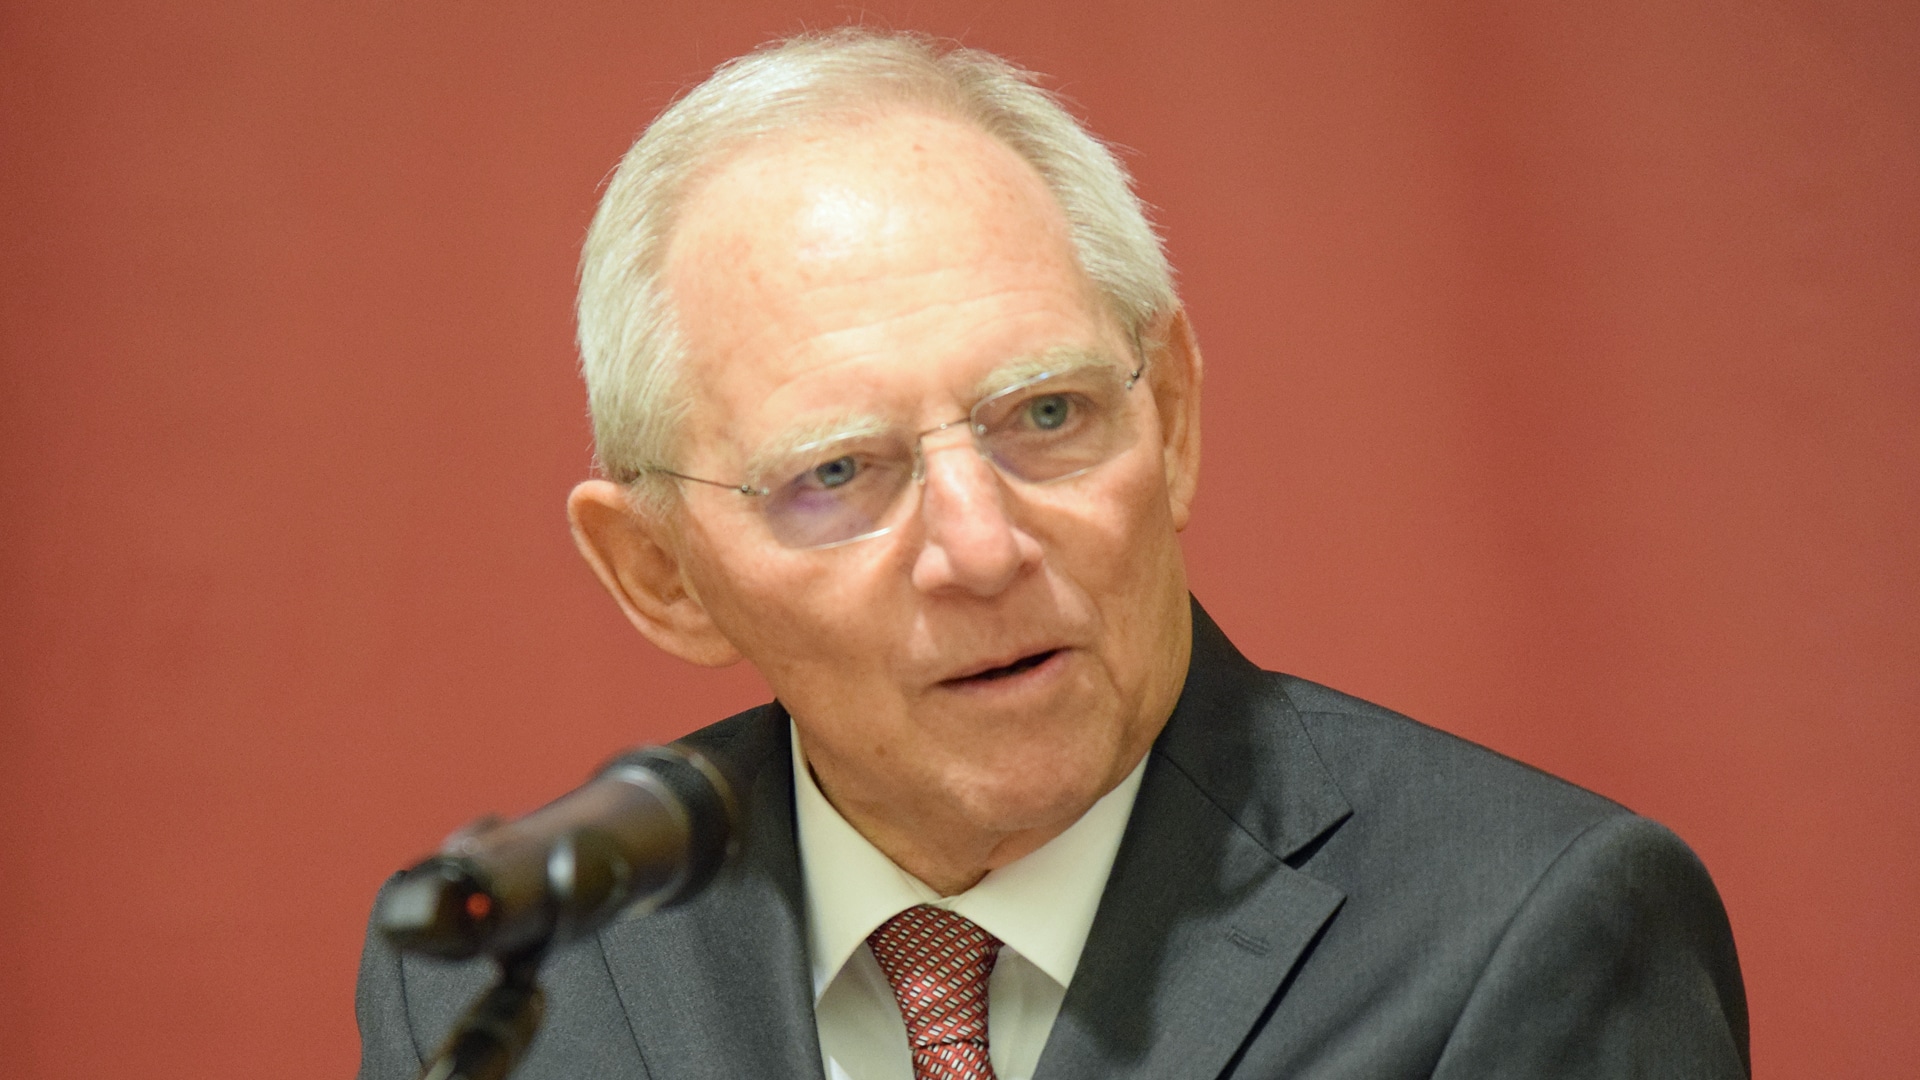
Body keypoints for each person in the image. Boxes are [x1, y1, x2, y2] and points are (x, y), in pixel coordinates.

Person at [356, 28, 1748, 1080]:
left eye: (1048, 415)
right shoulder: (526, 972)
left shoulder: (1529, 928)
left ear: (1177, 418)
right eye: (839, 472)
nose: (980, 545)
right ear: (658, 569)